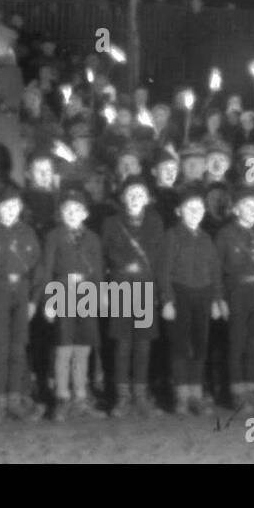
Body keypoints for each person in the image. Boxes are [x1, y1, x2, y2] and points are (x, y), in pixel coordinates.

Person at [100, 176, 166, 417]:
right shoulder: (111, 223)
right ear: (123, 197)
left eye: (141, 193)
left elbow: (159, 259)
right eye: (131, 193)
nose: (136, 198)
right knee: (122, 344)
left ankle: (140, 395)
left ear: (147, 198)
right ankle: (122, 397)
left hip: (145, 287)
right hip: (121, 286)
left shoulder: (155, 222)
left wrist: (160, 291)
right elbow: (104, 257)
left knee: (144, 344)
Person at [0, 183, 44, 423]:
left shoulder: (27, 232)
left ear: (20, 208)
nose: (10, 210)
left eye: (14, 206)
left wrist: (34, 301)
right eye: (5, 206)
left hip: (23, 294)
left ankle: (15, 401)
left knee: (18, 349)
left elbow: (38, 268)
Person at [42, 187, 104, 421]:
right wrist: (49, 301)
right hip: (62, 289)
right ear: (61, 213)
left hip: (86, 292)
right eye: (67, 210)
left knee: (83, 348)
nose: (72, 213)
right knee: (63, 347)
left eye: (77, 209)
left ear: (85, 214)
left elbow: (97, 271)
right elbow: (47, 269)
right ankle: (62, 398)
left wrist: (99, 296)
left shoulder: (93, 238)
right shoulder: (54, 236)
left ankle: (80, 397)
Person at [161, 185, 222, 415]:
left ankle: (196, 393)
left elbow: (214, 270)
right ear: (179, 211)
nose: (195, 212)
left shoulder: (206, 238)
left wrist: (217, 299)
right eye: (189, 208)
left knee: (199, 344)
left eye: (199, 208)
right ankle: (181, 395)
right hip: (180, 294)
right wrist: (167, 299)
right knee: (180, 345)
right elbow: (164, 271)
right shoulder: (172, 236)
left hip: (203, 295)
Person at [216, 185, 254, 412]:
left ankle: (251, 392)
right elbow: (217, 269)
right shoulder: (226, 234)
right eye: (247, 206)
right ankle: (237, 394)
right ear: (236, 210)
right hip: (236, 295)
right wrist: (220, 299)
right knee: (236, 344)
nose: (253, 210)